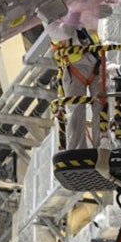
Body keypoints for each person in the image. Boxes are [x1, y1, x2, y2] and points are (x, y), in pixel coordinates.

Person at [49, 22, 106, 150]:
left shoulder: (87, 13)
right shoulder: (57, 22)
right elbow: (57, 37)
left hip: (95, 64)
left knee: (101, 107)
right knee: (76, 110)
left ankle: (102, 146)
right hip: (74, 67)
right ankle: (77, 149)